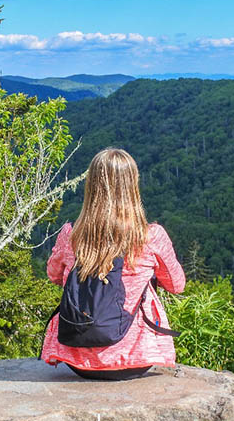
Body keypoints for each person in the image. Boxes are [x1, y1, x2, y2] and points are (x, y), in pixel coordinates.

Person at [40, 148, 186, 380]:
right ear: (133, 185)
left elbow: (54, 275)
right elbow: (177, 285)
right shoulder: (151, 237)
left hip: (77, 360)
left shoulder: (70, 235)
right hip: (136, 360)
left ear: (92, 186)